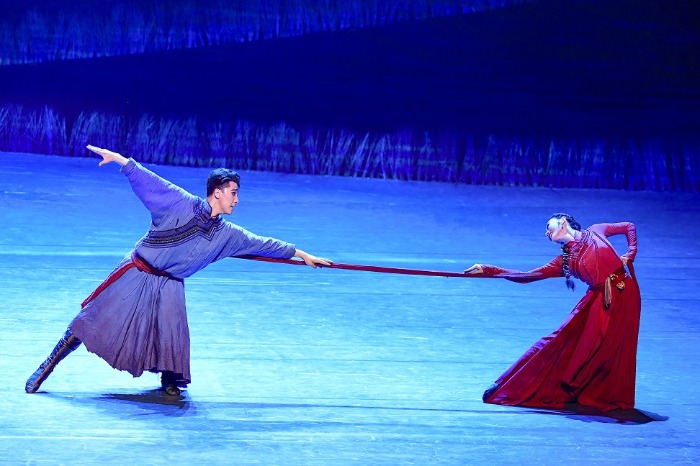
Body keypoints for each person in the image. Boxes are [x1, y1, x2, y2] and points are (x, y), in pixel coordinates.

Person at [26, 145, 331, 396]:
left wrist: (302, 254)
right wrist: (121, 160)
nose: (237, 199)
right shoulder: (180, 203)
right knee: (91, 320)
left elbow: (263, 243)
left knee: (173, 333)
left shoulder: (229, 234)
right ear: (217, 192)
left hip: (171, 284)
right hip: (138, 272)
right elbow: (150, 181)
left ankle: (169, 379)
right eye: (233, 192)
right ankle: (47, 366)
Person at [465, 213, 640, 412]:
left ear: (563, 222)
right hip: (598, 300)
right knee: (560, 338)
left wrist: (630, 253)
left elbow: (628, 226)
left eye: (549, 226)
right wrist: (489, 270)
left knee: (614, 347)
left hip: (625, 292)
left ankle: (607, 394)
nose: (546, 232)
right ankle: (507, 383)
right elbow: (527, 276)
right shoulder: (564, 261)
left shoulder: (596, 231)